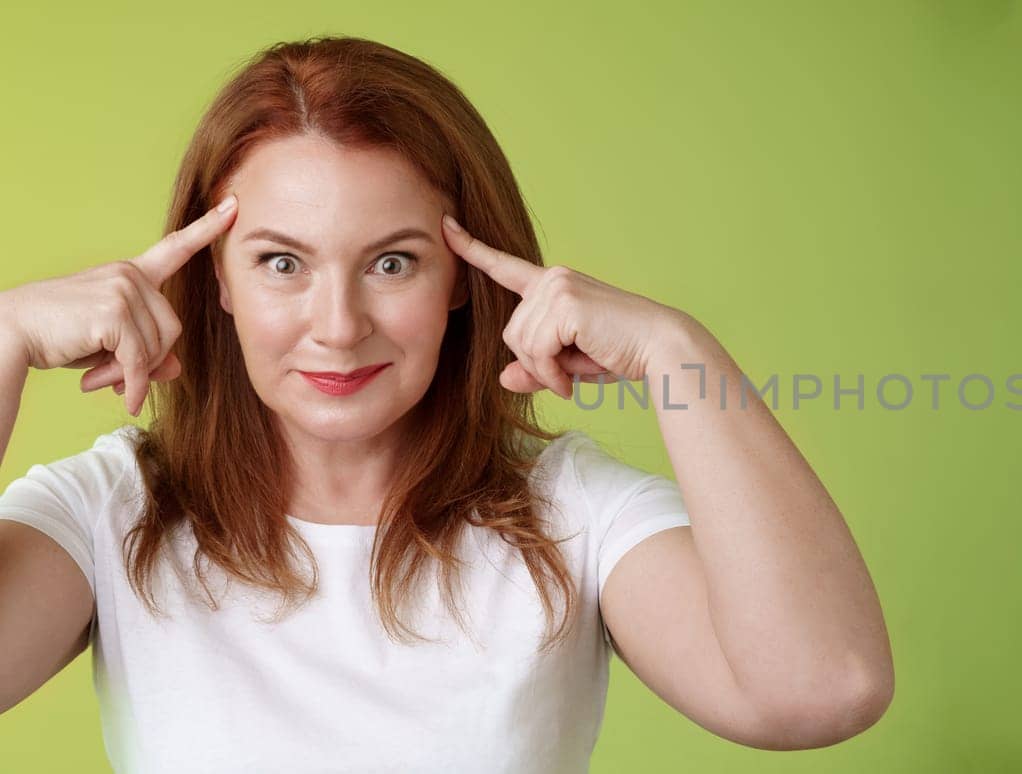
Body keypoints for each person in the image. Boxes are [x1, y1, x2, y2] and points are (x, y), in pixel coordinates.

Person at [0, 36, 893, 772]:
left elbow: (824, 688)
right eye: (282, 263)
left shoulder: (572, 516)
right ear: (218, 282)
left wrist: (678, 351)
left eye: (393, 263)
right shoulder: (112, 511)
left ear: (462, 279)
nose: (339, 328)